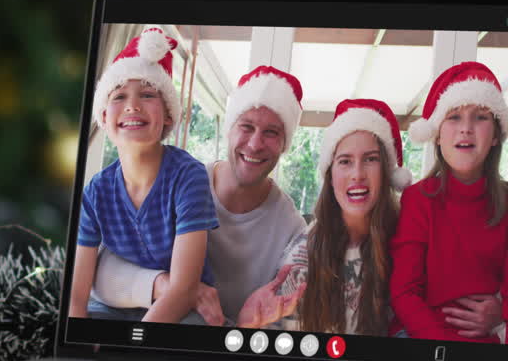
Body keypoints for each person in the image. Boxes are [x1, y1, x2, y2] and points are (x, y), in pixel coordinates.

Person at [91, 64, 309, 327]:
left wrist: (246, 326)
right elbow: (98, 272)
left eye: (271, 132)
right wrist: (167, 286)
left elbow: (280, 326)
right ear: (229, 129)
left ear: (284, 144)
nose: (254, 144)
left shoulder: (292, 229)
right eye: (246, 126)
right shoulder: (178, 181)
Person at [68, 27, 218, 324]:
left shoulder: (188, 177)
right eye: (119, 95)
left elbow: (185, 288)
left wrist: (133, 344)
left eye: (147, 94)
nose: (133, 105)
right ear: (103, 117)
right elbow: (77, 291)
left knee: (194, 333)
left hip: (182, 303)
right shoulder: (96, 191)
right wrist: (76, 330)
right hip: (118, 302)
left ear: (169, 116)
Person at [391, 62, 508, 344]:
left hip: (491, 340)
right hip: (424, 339)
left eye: (480, 117)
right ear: (438, 135)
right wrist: (442, 348)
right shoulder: (418, 199)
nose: (466, 129)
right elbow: (404, 292)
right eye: (454, 117)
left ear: (495, 136)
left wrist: (501, 312)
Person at [285, 99, 410, 336]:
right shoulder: (304, 252)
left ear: (386, 171)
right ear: (330, 175)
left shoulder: (409, 241)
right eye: (345, 161)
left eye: (370, 159)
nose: (357, 174)